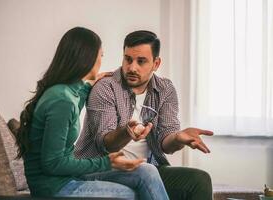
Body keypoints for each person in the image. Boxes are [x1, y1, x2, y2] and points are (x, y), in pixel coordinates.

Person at [15, 27, 169, 200]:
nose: (102, 60)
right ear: (87, 58)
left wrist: (89, 85)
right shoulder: (61, 100)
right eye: (101, 55)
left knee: (146, 171)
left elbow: (74, 100)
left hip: (65, 178)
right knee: (128, 195)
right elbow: (52, 164)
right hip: (53, 187)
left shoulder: (65, 92)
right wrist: (107, 162)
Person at [75, 30, 214, 200]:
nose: (132, 67)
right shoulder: (106, 87)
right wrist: (127, 132)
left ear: (156, 63)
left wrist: (178, 138)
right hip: (102, 168)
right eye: (128, 59)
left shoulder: (165, 89)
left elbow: (166, 144)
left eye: (141, 61)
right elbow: (106, 144)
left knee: (199, 180)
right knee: (145, 173)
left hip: (148, 169)